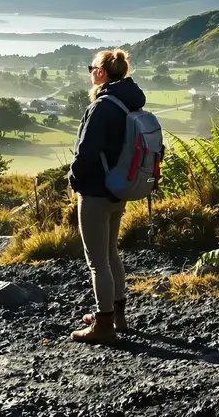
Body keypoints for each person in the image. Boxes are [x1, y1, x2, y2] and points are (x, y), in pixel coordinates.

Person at [67, 48, 146, 343]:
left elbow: (85, 152)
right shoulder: (129, 101)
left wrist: (74, 180)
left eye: (91, 68)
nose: (90, 72)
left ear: (100, 73)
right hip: (120, 187)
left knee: (97, 261)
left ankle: (103, 325)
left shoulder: (101, 107)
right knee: (111, 252)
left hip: (96, 191)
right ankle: (118, 316)